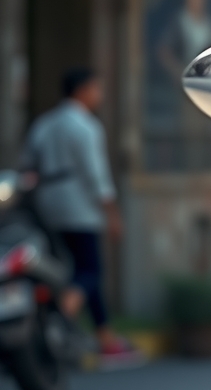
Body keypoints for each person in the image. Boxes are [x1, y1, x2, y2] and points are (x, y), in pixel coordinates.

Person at [21, 67, 139, 364]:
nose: (98, 95)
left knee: (70, 267)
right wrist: (112, 213)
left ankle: (104, 336)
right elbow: (96, 175)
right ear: (83, 90)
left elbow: (27, 166)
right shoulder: (85, 126)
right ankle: (62, 317)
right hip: (79, 205)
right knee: (89, 271)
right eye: (96, 89)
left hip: (48, 203)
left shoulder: (44, 124)